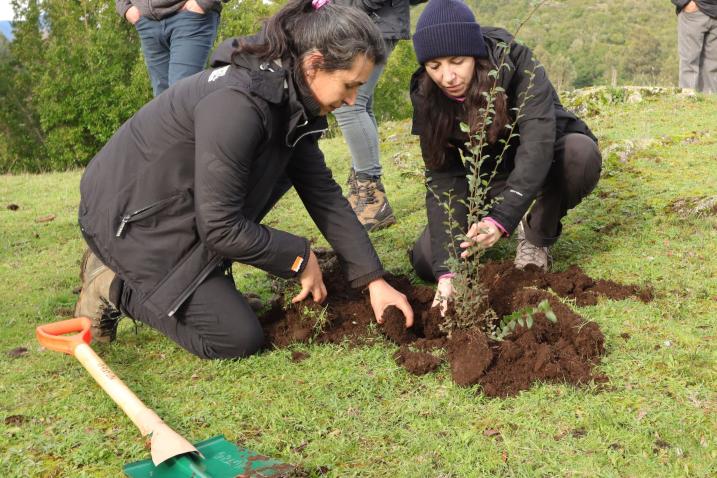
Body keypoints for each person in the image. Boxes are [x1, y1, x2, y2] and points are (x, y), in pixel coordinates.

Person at [75, 0, 414, 359]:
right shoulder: (240, 103)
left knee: (234, 316)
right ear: (314, 64)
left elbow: (323, 193)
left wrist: (373, 279)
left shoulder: (289, 99)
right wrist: (298, 257)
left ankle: (200, 280)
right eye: (349, 85)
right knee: (235, 338)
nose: (352, 100)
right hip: (130, 220)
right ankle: (110, 284)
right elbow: (220, 226)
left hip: (175, 212)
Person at [407, 0, 601, 309]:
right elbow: (443, 175)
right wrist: (447, 272)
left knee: (581, 155)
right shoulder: (426, 93)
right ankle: (473, 247)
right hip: (488, 180)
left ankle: (536, 233)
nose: (447, 77)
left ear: (474, 52)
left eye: (457, 61)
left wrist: (501, 220)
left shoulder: (519, 64)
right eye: (435, 67)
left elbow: (537, 145)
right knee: (428, 261)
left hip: (548, 163)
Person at [332, 0, 426, 232]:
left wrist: (356, 8)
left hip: (370, 21)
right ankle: (363, 192)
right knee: (361, 104)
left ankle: (371, 197)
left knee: (349, 104)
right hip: (367, 21)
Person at [116, 0, 225, 96]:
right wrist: (125, 7)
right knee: (161, 102)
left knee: (181, 96)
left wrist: (202, 3)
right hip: (147, 23)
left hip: (190, 18)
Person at [672, 0, 717, 93]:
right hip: (694, 11)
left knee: (712, 66)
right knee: (690, 63)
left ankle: (709, 105)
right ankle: (689, 104)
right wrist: (685, 3)